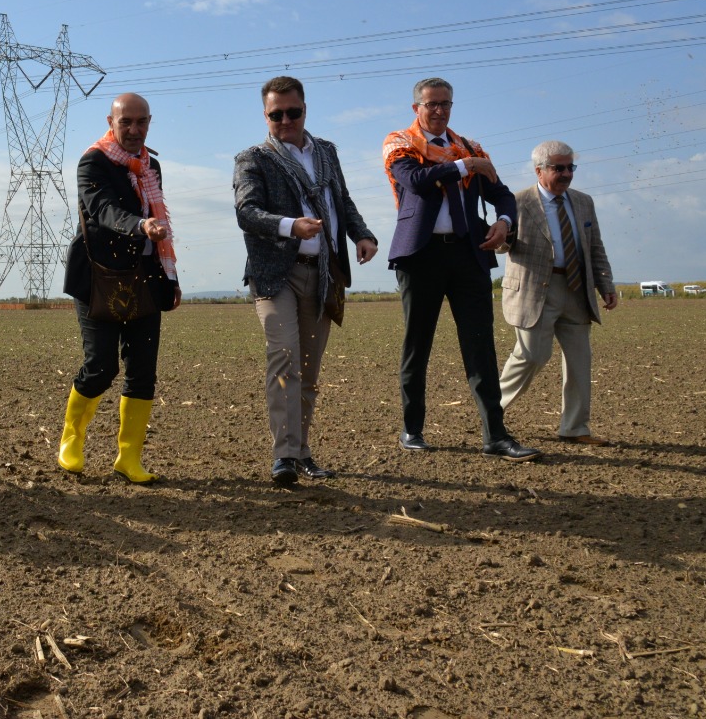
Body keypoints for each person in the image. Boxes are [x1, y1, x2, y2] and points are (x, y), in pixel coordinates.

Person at [382, 77, 540, 461]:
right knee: (417, 345)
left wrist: (504, 220)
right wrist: (466, 165)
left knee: (480, 346)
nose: (439, 110)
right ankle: (412, 430)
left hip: (468, 256)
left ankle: (496, 437)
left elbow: (499, 191)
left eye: (446, 104)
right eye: (431, 104)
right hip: (421, 256)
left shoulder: (470, 146)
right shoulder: (400, 143)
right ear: (416, 107)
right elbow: (417, 181)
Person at [233, 77, 378, 488]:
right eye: (275, 115)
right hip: (275, 274)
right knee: (283, 359)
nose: (285, 120)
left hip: (323, 275)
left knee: (309, 371)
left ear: (305, 110)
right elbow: (246, 211)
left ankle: (300, 451)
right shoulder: (254, 158)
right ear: (265, 116)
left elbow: (341, 201)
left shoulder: (326, 152)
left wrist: (362, 234)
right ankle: (284, 457)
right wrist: (289, 226)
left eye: (292, 112)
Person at [57, 92, 181, 484]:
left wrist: (169, 274)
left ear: (149, 122)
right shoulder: (92, 161)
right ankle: (71, 441)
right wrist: (140, 225)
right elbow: (101, 208)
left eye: (141, 122)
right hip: (98, 279)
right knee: (101, 366)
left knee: (143, 372)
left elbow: (157, 215)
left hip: (145, 277)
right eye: (125, 122)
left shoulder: (151, 166)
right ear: (110, 123)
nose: (133, 129)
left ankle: (129, 459)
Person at [498, 141, 619, 445]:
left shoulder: (583, 202)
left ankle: (575, 428)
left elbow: (595, 246)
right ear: (539, 170)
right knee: (532, 356)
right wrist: (501, 233)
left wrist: (606, 284)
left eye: (570, 167)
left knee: (580, 361)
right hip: (535, 291)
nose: (566, 174)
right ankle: (492, 410)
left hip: (577, 287)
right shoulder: (517, 201)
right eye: (558, 168)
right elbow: (501, 245)